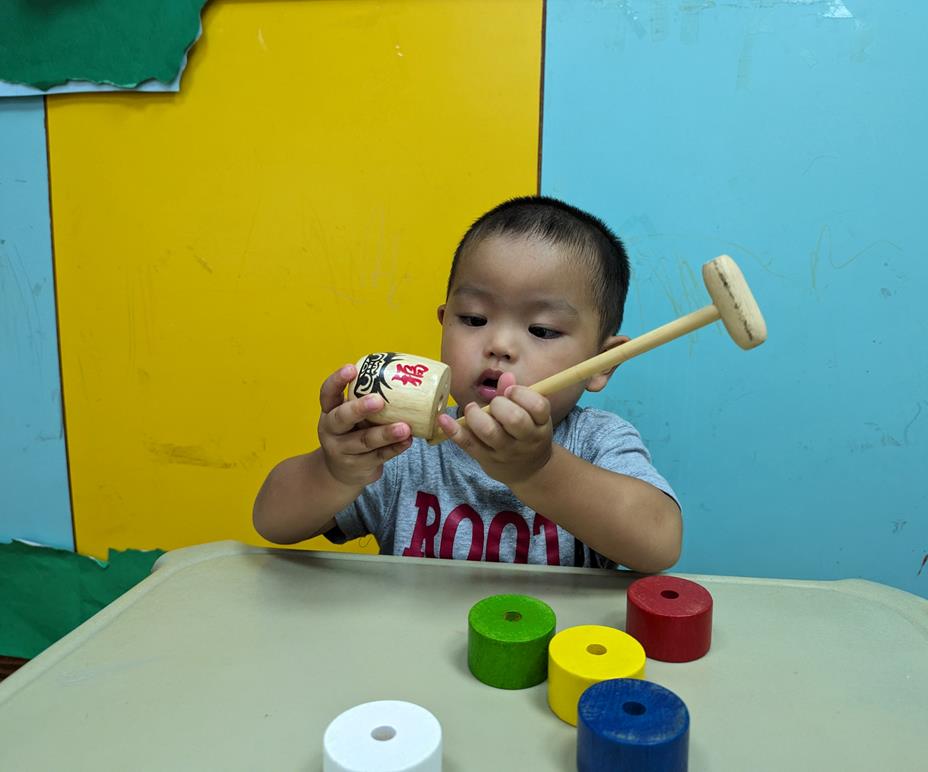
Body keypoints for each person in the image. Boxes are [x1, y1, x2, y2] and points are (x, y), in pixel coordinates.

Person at [253, 196, 682, 572]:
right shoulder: (404, 445)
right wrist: (335, 470)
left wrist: (539, 469)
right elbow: (272, 523)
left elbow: (661, 543)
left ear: (601, 364)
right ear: (444, 324)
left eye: (542, 330)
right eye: (474, 319)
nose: (499, 345)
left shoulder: (597, 441)